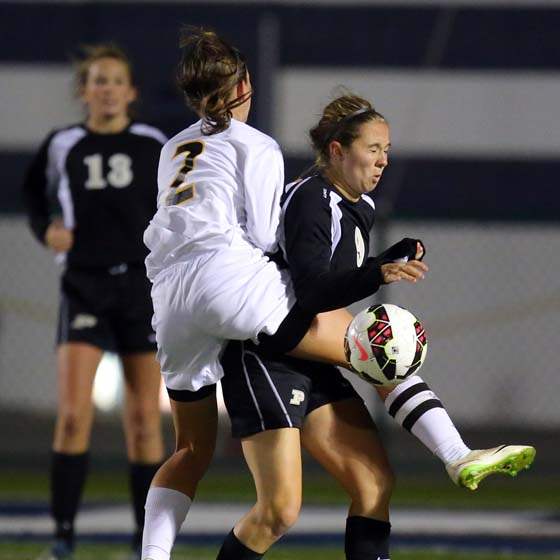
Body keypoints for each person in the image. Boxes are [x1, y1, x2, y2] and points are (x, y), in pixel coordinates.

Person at [140, 29, 534, 560]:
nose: (381, 159)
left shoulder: (173, 147)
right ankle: (455, 452)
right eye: (373, 149)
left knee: (193, 448)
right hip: (233, 289)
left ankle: (152, 555)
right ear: (244, 85)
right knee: (377, 345)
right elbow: (264, 237)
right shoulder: (260, 150)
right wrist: (376, 272)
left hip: (168, 295)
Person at [22, 44, 167, 560]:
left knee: (145, 420)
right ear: (83, 91)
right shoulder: (63, 144)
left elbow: (182, 198)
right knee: (72, 416)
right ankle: (63, 535)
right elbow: (34, 196)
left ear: (131, 92)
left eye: (115, 81)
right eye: (97, 80)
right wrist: (46, 231)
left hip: (139, 288)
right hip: (83, 284)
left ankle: (144, 539)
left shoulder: (154, 143)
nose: (106, 89)